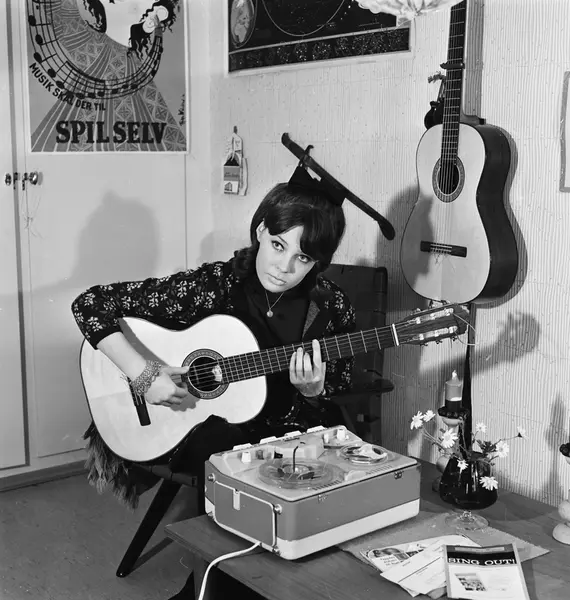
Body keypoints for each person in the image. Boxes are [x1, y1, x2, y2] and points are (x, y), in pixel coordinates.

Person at [71, 163, 356, 599]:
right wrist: (145, 375)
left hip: (288, 428)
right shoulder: (216, 284)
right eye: (278, 245)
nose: (284, 267)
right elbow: (90, 304)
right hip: (201, 427)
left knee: (283, 461)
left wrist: (314, 391)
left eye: (302, 258)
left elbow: (340, 386)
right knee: (228, 453)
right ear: (260, 231)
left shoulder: (329, 306)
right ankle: (211, 588)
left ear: (318, 261)